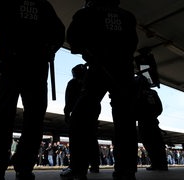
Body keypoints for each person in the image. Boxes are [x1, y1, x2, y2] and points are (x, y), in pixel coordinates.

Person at [0, 0, 65, 179]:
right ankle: (24, 168)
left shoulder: (0, 4)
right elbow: (60, 34)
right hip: (36, 70)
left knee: (2, 117)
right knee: (34, 119)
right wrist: (48, 51)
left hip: (8, 67)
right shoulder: (43, 6)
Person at [66, 0, 139, 179]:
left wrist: (90, 50)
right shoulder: (128, 16)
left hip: (98, 69)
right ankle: (127, 169)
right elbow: (133, 44)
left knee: (80, 117)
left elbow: (73, 39)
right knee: (126, 120)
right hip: (124, 72)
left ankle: (77, 169)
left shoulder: (87, 13)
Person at [60, 64, 100, 178]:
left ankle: (75, 167)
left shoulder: (73, 83)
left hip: (79, 112)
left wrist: (67, 113)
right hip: (93, 112)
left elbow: (69, 99)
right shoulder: (92, 82)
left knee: (76, 139)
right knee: (91, 139)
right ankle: (94, 165)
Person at [134, 75, 168, 171]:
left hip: (143, 122)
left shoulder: (138, 94)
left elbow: (134, 108)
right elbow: (159, 108)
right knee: (158, 143)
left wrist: (138, 117)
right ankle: (163, 165)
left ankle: (156, 164)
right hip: (153, 122)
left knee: (148, 143)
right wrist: (153, 116)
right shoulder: (153, 92)